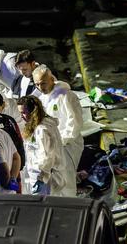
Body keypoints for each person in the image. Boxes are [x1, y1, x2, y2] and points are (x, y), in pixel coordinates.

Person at [33, 65, 83, 197]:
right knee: (56, 183)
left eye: (43, 83)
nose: (40, 87)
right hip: (52, 147)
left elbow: (74, 123)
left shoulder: (66, 95)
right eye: (37, 84)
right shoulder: (43, 99)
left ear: (51, 79)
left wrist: (62, 141)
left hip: (67, 146)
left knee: (67, 181)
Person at [17, 96, 67, 196]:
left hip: (44, 177)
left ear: (32, 112)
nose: (21, 116)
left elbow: (47, 157)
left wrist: (40, 178)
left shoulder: (42, 130)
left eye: (23, 113)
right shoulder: (38, 127)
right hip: (39, 175)